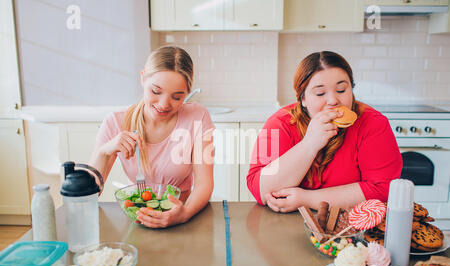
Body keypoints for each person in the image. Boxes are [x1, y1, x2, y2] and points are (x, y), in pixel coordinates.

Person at [246, 51, 402, 213]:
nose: (333, 100)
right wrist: (309, 144)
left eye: (341, 90)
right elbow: (259, 189)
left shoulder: (373, 123)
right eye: (320, 93)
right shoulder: (280, 123)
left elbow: (383, 190)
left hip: (353, 224)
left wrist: (307, 199)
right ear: (303, 99)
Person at [90, 46, 215, 228]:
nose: (164, 104)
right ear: (143, 78)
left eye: (177, 97)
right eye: (156, 92)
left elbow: (204, 184)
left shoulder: (198, 117)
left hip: (183, 220)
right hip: (136, 219)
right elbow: (91, 194)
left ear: (187, 93)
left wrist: (184, 214)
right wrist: (104, 152)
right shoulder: (115, 122)